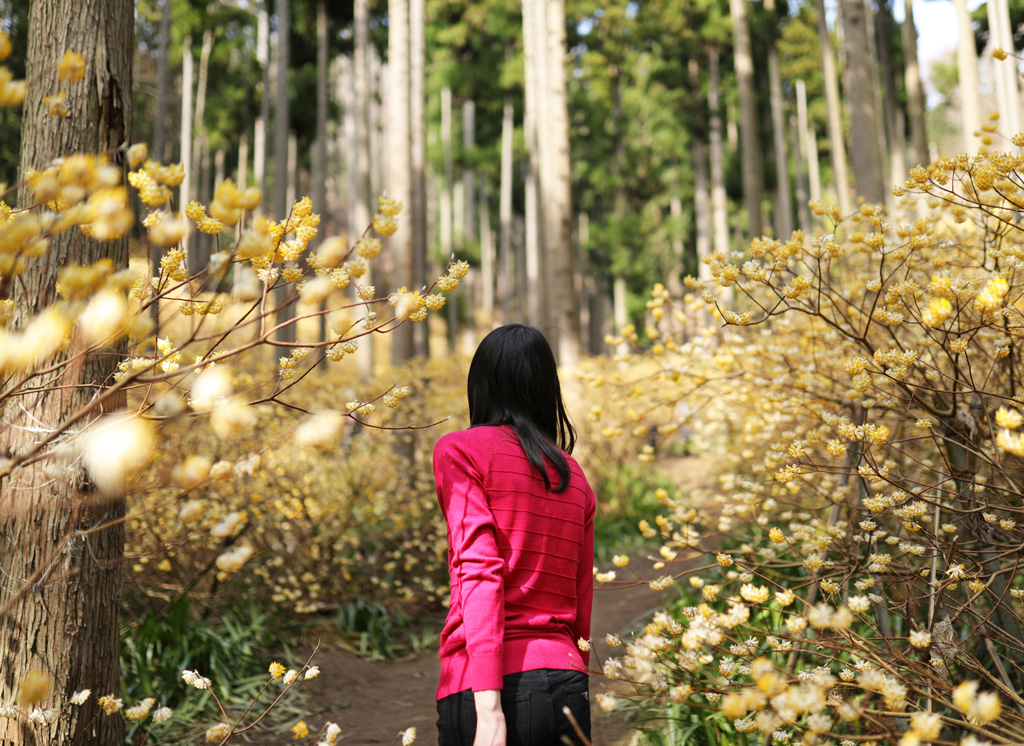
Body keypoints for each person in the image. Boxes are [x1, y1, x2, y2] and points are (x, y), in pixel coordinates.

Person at [433, 324, 595, 746]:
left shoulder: (461, 451)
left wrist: (489, 710)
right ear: (545, 388)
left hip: (489, 686)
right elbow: (582, 596)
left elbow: (480, 570)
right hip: (567, 682)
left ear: (481, 382)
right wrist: (577, 677)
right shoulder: (573, 475)